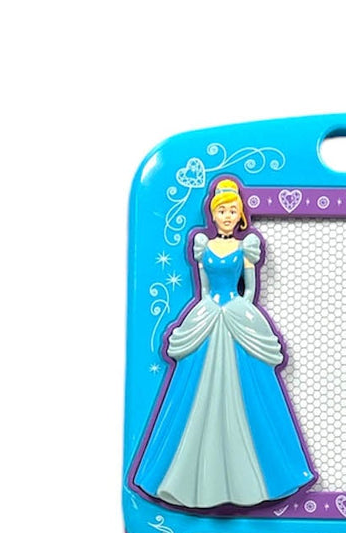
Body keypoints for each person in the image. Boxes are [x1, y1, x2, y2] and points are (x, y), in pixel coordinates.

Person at [131, 178, 313, 509]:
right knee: (193, 389)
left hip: (236, 312)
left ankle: (259, 475)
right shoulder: (203, 246)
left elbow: (249, 289)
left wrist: (239, 311)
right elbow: (203, 289)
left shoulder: (246, 247)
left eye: (232, 211)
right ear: (213, 215)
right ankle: (187, 475)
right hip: (208, 313)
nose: (227, 216)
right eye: (222, 211)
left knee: (250, 388)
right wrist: (208, 311)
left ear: (240, 215)